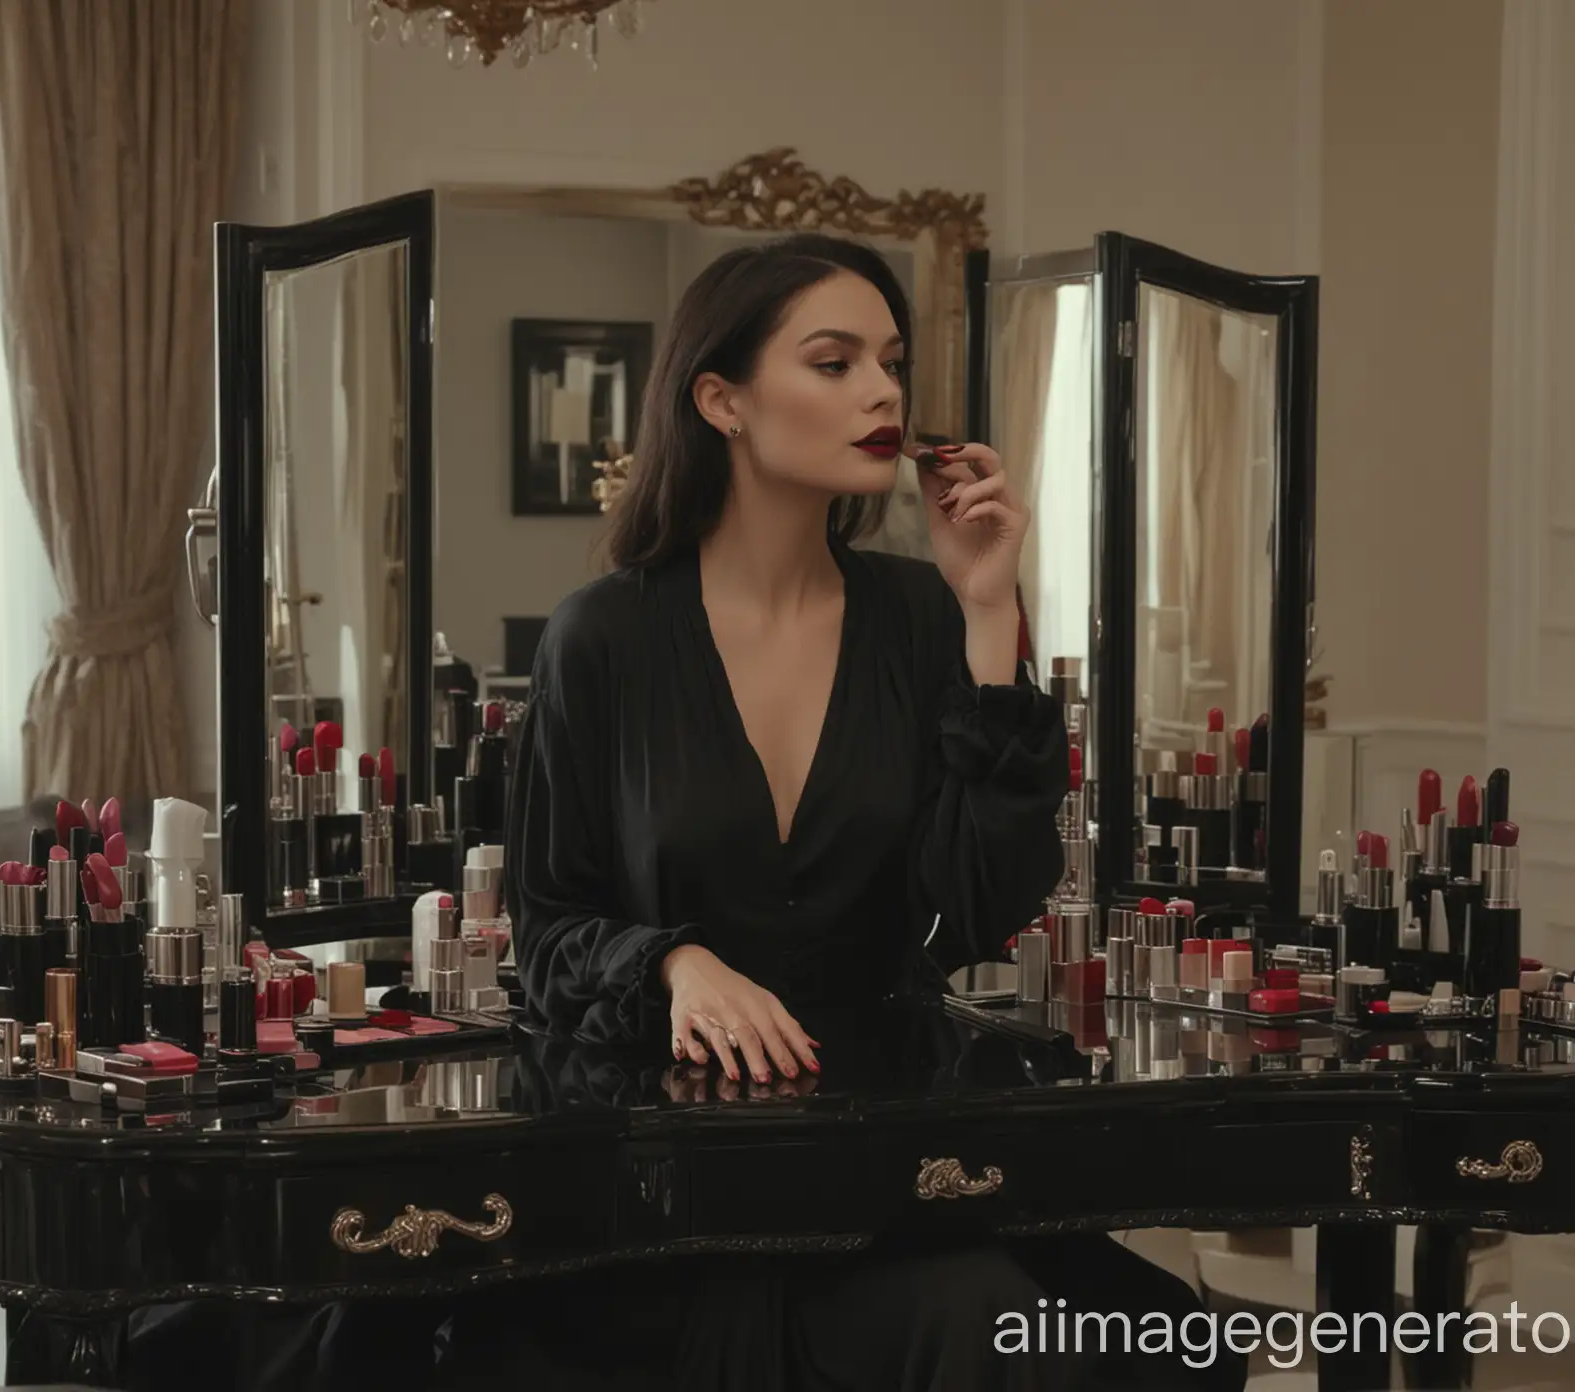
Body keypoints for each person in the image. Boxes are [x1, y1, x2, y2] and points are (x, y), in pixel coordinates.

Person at [474, 232, 1246, 1391]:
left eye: (891, 362)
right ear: (722, 399)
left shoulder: (920, 621)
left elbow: (980, 909)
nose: (883, 390)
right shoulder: (603, 641)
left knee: (1146, 1338)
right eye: (834, 363)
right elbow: (548, 935)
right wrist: (676, 963)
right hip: (663, 1191)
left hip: (888, 1163)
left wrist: (989, 613)